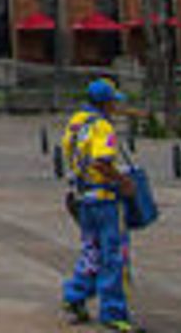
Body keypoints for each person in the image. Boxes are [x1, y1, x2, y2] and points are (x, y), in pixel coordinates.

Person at [61, 78, 140, 331]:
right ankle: (113, 311)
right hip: (105, 199)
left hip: (83, 197)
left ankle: (75, 296)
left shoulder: (75, 123)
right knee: (114, 254)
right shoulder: (102, 127)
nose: (115, 107)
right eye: (113, 102)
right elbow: (101, 162)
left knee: (90, 250)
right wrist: (123, 181)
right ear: (106, 102)